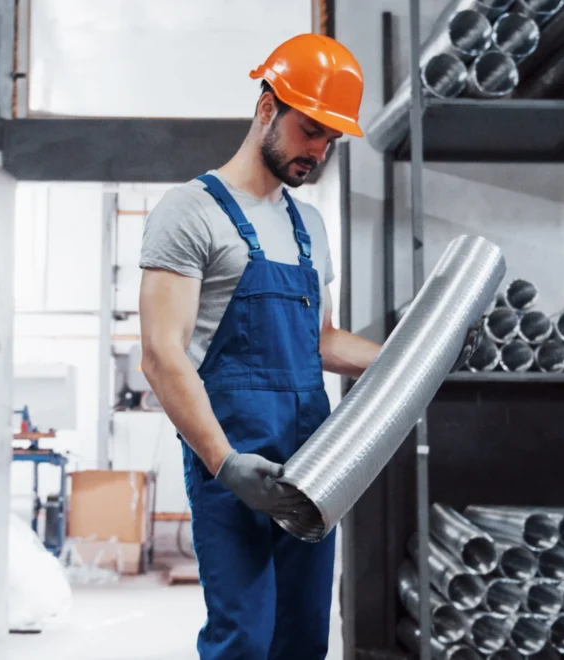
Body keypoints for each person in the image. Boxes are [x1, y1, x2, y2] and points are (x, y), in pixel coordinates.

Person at [137, 34, 383, 659]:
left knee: (303, 638)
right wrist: (223, 461)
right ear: (268, 107)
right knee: (244, 638)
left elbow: (320, 342)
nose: (318, 151)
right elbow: (162, 355)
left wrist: (408, 361)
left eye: (331, 139)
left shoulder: (311, 227)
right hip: (234, 463)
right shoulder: (191, 212)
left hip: (312, 464)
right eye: (310, 130)